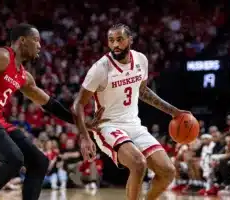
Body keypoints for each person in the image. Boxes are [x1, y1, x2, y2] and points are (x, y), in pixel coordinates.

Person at [0, 23, 105, 200]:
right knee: (14, 158)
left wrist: (83, 123)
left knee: (40, 161)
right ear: (22, 41)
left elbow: (50, 104)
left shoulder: (24, 76)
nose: (40, 45)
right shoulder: (1, 56)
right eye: (36, 40)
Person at [72, 23, 191, 200]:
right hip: (108, 126)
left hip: (134, 125)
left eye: (119, 39)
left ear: (130, 40)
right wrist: (84, 137)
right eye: (111, 40)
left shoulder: (141, 60)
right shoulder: (100, 69)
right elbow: (77, 105)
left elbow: (142, 91)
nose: (115, 45)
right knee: (138, 164)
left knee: (168, 172)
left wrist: (173, 112)